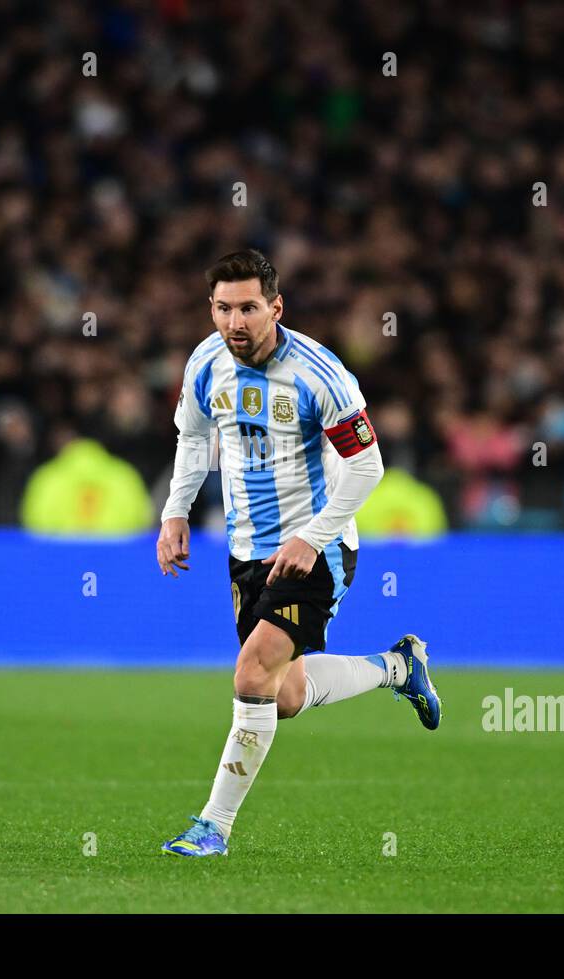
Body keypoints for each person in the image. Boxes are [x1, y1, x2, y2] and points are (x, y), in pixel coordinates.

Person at [155, 249, 443, 858]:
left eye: (249, 308)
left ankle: (212, 828)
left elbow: (367, 466)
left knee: (253, 672)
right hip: (245, 550)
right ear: (211, 309)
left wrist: (312, 536)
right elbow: (193, 436)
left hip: (319, 548)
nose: (236, 322)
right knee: (282, 697)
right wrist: (175, 511)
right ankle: (399, 666)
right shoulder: (206, 362)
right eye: (224, 308)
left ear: (275, 307)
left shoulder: (320, 375)